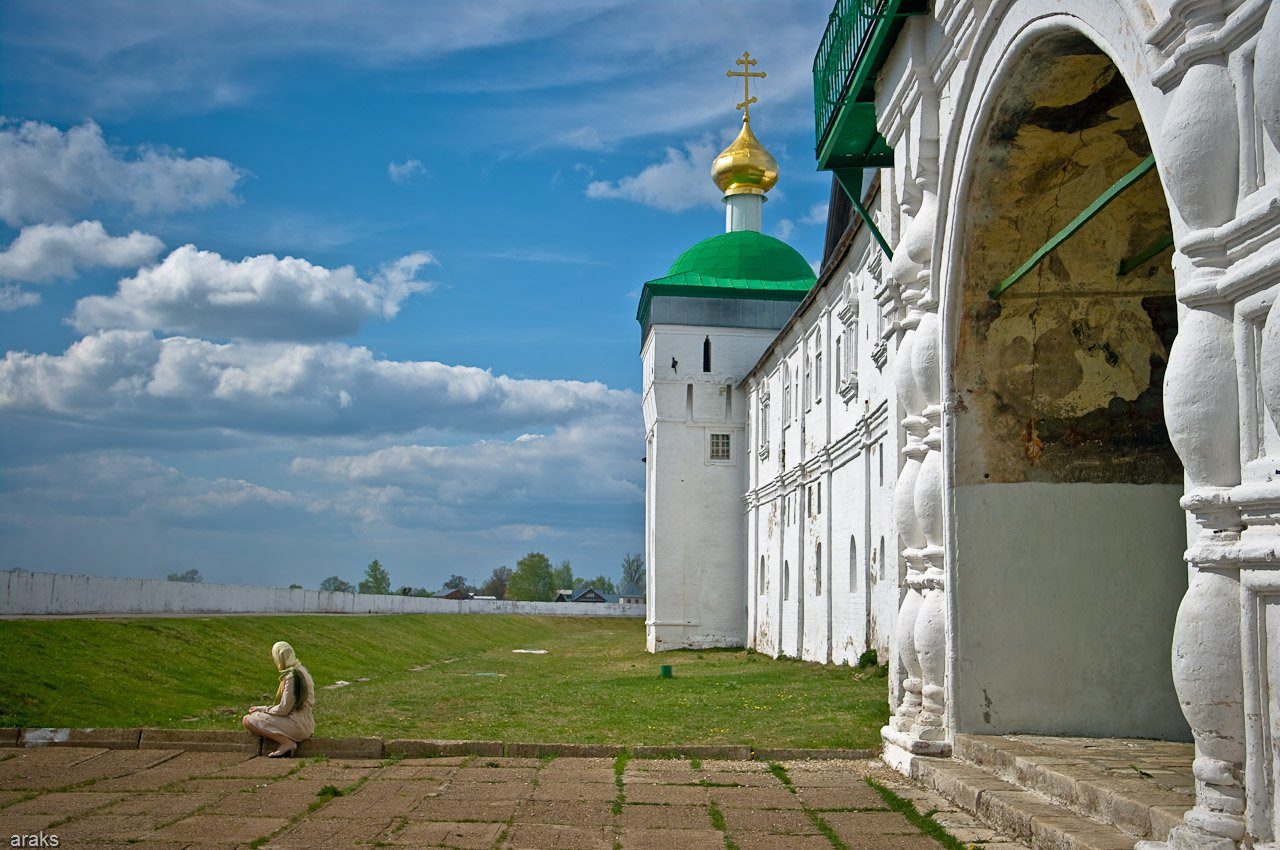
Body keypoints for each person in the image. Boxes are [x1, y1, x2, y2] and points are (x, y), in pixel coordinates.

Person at [242, 640, 315, 757]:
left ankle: (287, 743)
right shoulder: (302, 670)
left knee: (248, 720)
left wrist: (263, 709)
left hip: (297, 725)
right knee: (255, 716)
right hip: (307, 723)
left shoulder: (292, 676)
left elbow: (283, 709)